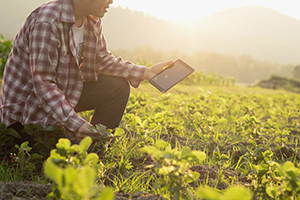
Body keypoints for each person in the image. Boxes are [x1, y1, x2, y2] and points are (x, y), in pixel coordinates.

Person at [0, 0, 173, 145]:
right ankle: (74, 141)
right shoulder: (47, 22)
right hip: (27, 113)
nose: (111, 1)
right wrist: (75, 124)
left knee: (117, 87)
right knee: (51, 152)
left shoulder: (91, 20)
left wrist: (145, 72)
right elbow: (43, 84)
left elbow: (102, 60)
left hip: (60, 96)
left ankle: (94, 147)